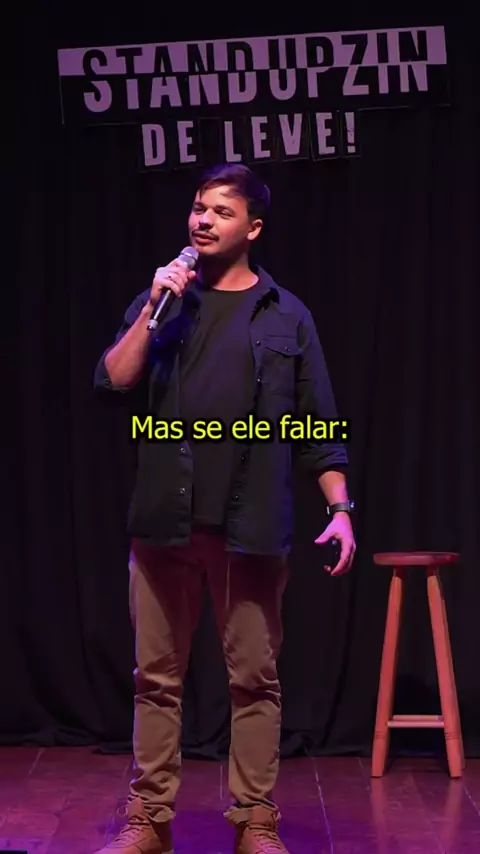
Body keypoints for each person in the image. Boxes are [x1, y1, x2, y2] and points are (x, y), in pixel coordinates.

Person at [93, 163, 356, 854]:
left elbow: (317, 424)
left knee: (254, 681)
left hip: (250, 530)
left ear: (254, 228)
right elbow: (114, 380)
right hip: (164, 525)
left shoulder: (287, 316)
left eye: (221, 211)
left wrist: (340, 508)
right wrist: (153, 306)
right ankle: (149, 820)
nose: (202, 220)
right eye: (198, 208)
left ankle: (255, 822)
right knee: (156, 680)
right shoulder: (165, 301)